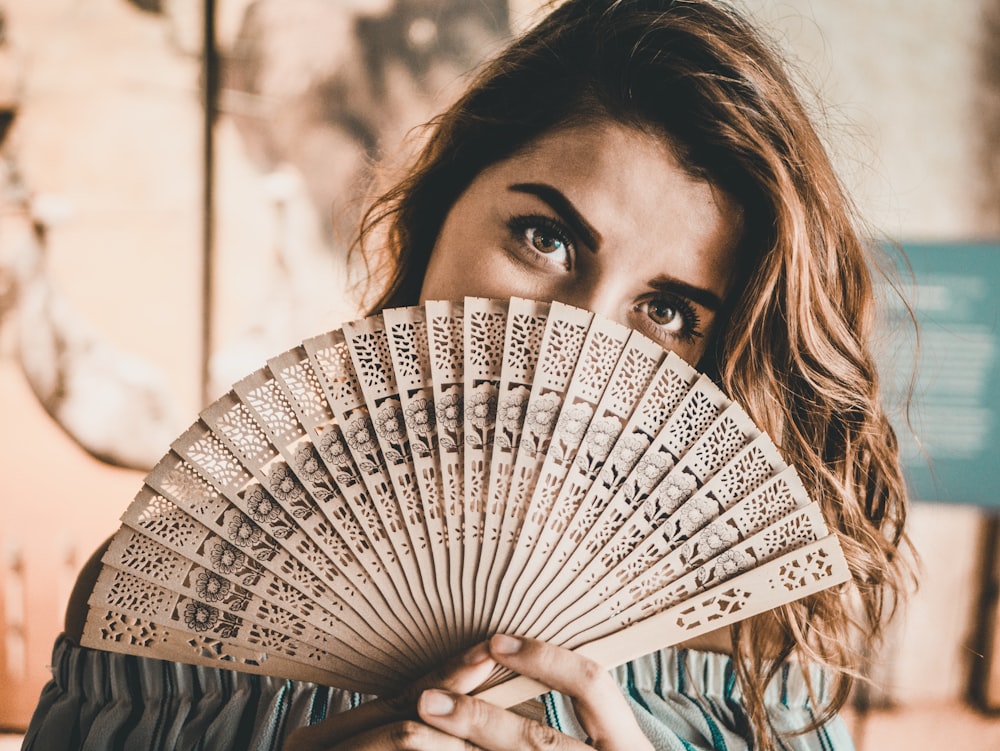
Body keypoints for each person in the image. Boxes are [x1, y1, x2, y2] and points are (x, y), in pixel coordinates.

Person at [23, 1, 913, 749]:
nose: (575, 343)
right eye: (547, 238)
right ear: (438, 210)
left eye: (668, 311)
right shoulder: (158, 603)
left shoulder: (755, 673)